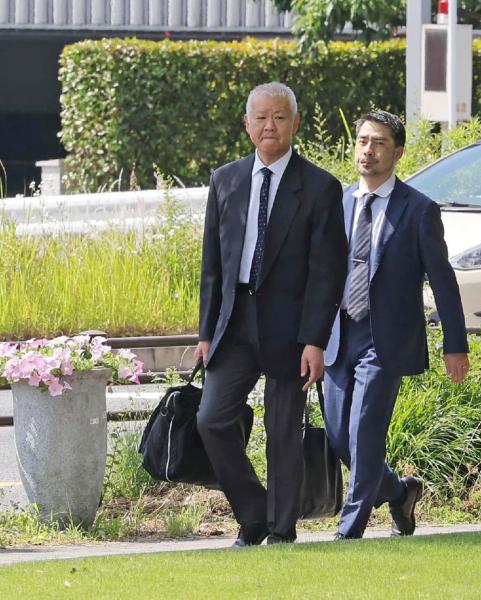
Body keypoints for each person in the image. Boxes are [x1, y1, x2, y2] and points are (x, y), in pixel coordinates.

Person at [194, 82, 348, 546]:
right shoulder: (226, 179)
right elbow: (212, 265)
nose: (269, 125)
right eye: (260, 117)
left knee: (283, 432)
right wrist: (206, 331)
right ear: (246, 124)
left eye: (279, 117)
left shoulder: (320, 187)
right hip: (235, 322)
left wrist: (315, 340)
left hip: (292, 329)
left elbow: (327, 273)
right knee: (212, 419)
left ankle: (281, 531)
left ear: (295, 123)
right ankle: (254, 513)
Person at [323, 110, 469, 540]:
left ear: (398, 152)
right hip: (337, 336)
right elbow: (320, 276)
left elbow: (443, 280)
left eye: (379, 142)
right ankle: (399, 491)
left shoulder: (419, 210)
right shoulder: (339, 203)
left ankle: (349, 530)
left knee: (364, 433)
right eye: (363, 140)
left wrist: (454, 344)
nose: (368, 150)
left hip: (385, 341)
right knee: (339, 438)